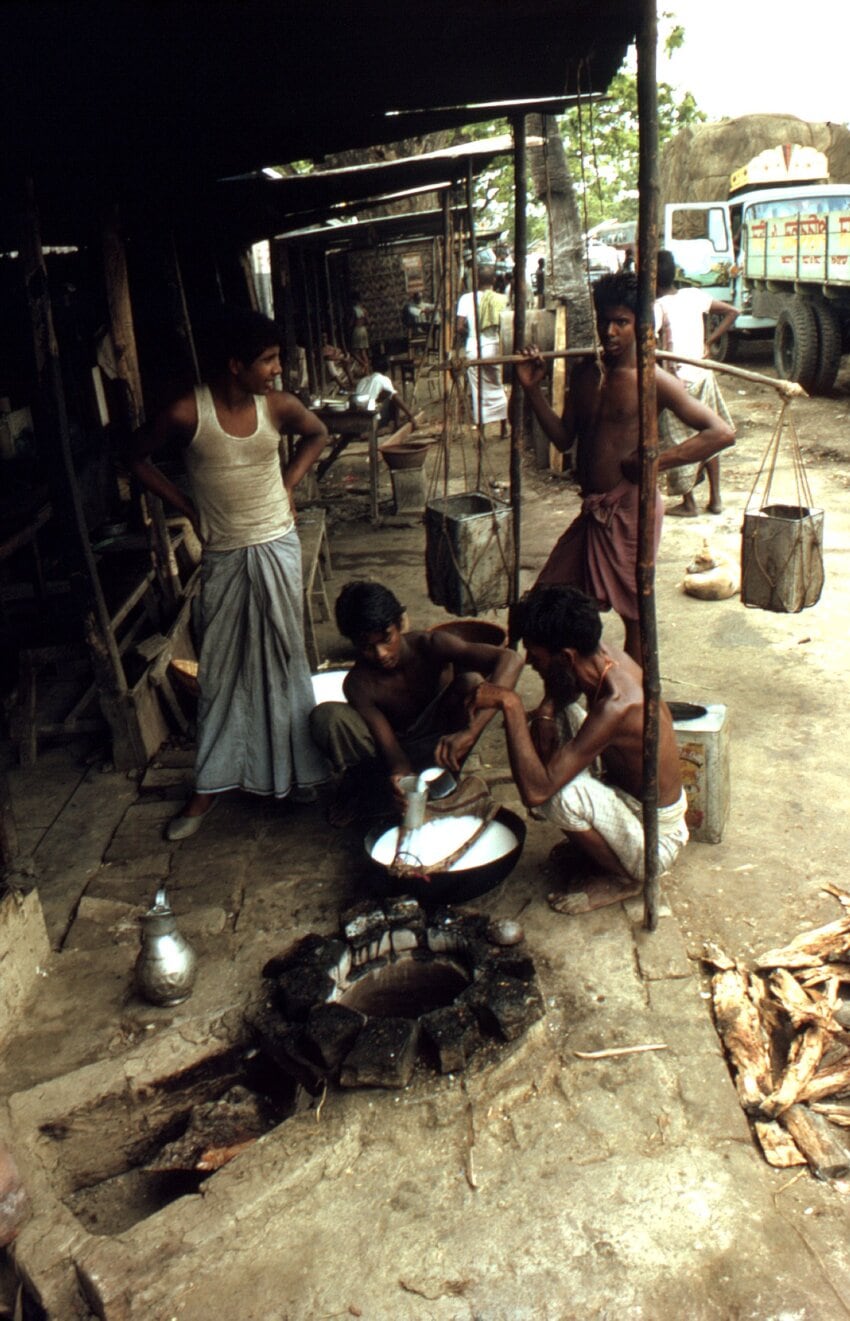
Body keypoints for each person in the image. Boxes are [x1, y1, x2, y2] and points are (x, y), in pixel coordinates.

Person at [127, 307, 331, 839]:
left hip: (277, 545)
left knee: (286, 658)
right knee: (220, 670)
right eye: (267, 361)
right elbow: (135, 459)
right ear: (235, 364)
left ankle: (299, 771)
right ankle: (210, 785)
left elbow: (317, 433)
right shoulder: (186, 413)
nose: (277, 370)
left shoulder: (277, 407)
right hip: (224, 554)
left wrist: (287, 484)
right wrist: (188, 506)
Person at [513, 270, 736, 664]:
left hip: (631, 510)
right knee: (550, 599)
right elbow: (564, 439)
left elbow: (720, 432)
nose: (610, 332)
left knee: (635, 616)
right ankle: (570, 695)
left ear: (640, 325)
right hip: (593, 511)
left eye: (622, 322)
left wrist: (656, 464)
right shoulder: (585, 375)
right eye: (605, 321)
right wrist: (532, 390)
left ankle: (633, 705)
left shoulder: (654, 381)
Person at [468, 584, 689, 915]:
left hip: (656, 840)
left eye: (537, 656)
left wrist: (510, 703)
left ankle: (625, 878)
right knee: (553, 719)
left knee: (559, 796)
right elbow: (563, 689)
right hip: (628, 796)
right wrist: (543, 713)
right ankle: (603, 847)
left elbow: (535, 793)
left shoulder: (618, 707)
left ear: (567, 656)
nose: (530, 662)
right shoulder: (599, 653)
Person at [309, 581, 523, 824]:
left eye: (386, 639)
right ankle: (360, 783)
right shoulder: (359, 684)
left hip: (440, 738)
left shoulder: (431, 645)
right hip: (391, 747)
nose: (381, 654)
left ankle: (447, 774)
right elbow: (392, 751)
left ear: (400, 624)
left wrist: (471, 732)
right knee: (328, 718)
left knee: (472, 682)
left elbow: (511, 660)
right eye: (367, 647)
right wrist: (403, 778)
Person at [655, 249, 738, 516]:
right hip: (704, 374)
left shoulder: (657, 307)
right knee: (710, 435)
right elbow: (732, 312)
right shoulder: (693, 296)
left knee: (677, 441)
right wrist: (708, 342)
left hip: (679, 383)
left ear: (652, 279)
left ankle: (689, 502)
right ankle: (716, 499)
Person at [456, 257, 509, 437]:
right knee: (497, 384)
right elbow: (506, 326)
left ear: (476, 280)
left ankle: (483, 432)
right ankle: (503, 427)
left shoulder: (466, 299)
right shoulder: (501, 299)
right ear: (494, 281)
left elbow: (459, 326)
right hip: (493, 346)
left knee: (477, 389)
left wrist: (470, 333)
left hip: (473, 347)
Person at [350, 355, 417, 431]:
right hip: (372, 419)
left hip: (358, 419)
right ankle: (395, 425)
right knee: (392, 395)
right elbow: (395, 397)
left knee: (384, 395)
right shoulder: (383, 379)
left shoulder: (363, 381)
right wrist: (410, 415)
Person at [349, 292, 371, 374]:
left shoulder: (353, 310)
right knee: (363, 352)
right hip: (364, 330)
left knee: (353, 352)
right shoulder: (364, 310)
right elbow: (368, 322)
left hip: (357, 330)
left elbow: (351, 322)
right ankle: (367, 372)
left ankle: (364, 364)